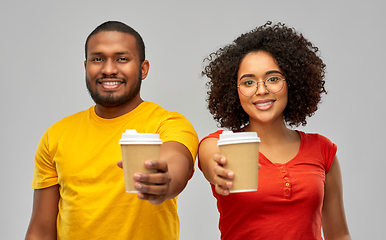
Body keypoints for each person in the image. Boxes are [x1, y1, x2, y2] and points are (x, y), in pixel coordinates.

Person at [25, 21, 198, 240]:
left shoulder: (169, 124)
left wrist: (165, 183)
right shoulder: (56, 135)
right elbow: (41, 229)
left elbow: (177, 160)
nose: (108, 69)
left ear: (143, 69)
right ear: (86, 66)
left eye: (122, 59)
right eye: (98, 59)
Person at [198, 21, 351, 240]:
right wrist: (218, 170)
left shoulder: (323, 150)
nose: (261, 90)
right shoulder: (222, 144)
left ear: (294, 82)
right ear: (234, 91)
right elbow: (210, 157)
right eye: (249, 82)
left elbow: (339, 235)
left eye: (272, 79)